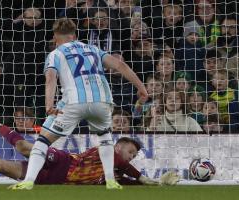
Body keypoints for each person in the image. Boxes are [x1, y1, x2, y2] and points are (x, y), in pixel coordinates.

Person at [8, 18, 148, 190]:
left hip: (74, 102)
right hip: (102, 101)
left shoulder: (56, 53)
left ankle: (28, 181)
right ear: (74, 36)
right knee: (104, 137)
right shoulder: (93, 49)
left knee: (43, 140)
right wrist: (141, 88)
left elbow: (51, 78)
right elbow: (120, 65)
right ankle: (111, 181)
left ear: (55, 38)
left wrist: (48, 105)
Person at [0, 104, 179, 186]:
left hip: (53, 180)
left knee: (2, 167)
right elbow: (128, 170)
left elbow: (132, 182)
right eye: (130, 151)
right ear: (118, 147)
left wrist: (157, 184)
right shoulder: (106, 151)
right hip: (64, 162)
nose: (130, 157)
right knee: (27, 147)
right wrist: (140, 176)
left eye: (134, 156)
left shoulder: (114, 176)